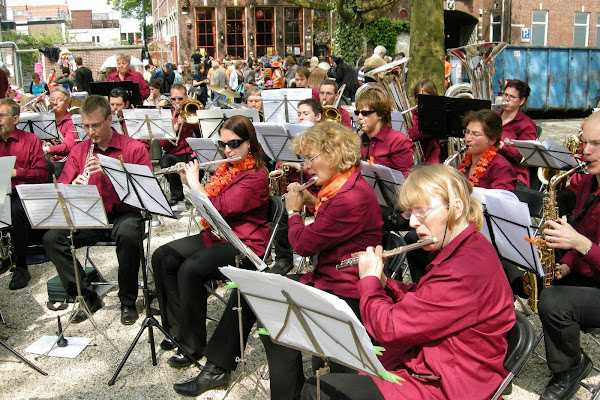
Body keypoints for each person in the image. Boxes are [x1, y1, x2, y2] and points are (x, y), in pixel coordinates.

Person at [173, 121, 383, 398]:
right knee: (249, 291)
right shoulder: (340, 185)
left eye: (310, 158)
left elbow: (303, 245)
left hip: (344, 292)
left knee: (274, 327)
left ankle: (287, 392)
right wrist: (312, 200)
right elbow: (329, 220)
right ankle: (218, 368)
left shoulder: (349, 197)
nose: (306, 166)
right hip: (326, 280)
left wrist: (294, 212)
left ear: (333, 155)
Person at [302, 164, 516, 400]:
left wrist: (370, 282)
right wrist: (385, 283)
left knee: (320, 390)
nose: (413, 222)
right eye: (410, 212)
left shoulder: (465, 268)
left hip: (448, 384)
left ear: (456, 208)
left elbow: (388, 329)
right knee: (343, 370)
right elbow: (427, 299)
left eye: (422, 211)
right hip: (434, 366)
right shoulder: (465, 248)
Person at [153, 115, 269, 370]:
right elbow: (209, 205)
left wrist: (194, 184)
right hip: (217, 235)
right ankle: (177, 330)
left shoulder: (256, 176)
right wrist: (187, 182)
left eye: (234, 143)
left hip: (244, 244)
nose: (227, 150)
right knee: (163, 256)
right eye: (223, 144)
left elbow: (218, 208)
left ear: (250, 143)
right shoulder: (226, 169)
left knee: (190, 270)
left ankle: (192, 346)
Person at [43, 95, 150, 325]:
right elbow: (62, 187)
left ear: (109, 119)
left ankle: (128, 301)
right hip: (88, 214)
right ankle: (87, 296)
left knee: (129, 234)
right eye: (86, 126)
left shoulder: (134, 148)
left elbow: (143, 194)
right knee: (52, 238)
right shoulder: (81, 151)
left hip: (123, 213)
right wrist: (73, 188)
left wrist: (112, 172)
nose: (90, 132)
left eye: (96, 125)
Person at [536, 111, 600, 400]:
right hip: (588, 271)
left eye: (597, 144)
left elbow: (584, 240)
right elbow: (585, 228)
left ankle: (570, 368)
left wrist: (579, 244)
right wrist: (565, 263)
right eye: (585, 142)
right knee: (528, 275)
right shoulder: (589, 183)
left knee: (554, 300)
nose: (585, 151)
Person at [0, 99, 48, 289]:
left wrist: (16, 172)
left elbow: (42, 173)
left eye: (2, 115)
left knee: (14, 210)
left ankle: (21, 266)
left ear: (16, 119)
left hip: (22, 193)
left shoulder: (31, 140)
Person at [356, 88, 413, 176]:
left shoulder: (398, 141)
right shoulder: (361, 139)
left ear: (380, 114)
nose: (359, 117)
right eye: (357, 112)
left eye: (365, 113)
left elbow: (404, 180)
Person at [160, 84, 200, 207]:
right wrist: (176, 126)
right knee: (165, 162)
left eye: (180, 98)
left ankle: (195, 195)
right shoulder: (165, 115)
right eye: (173, 99)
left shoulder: (191, 110)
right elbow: (163, 144)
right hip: (173, 153)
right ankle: (177, 194)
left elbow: (201, 135)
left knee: (198, 162)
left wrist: (194, 119)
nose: (176, 102)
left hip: (190, 152)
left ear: (186, 97)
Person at [458, 109, 516, 190]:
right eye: (467, 132)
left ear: (492, 139)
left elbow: (501, 200)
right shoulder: (466, 161)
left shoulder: (501, 168)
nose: (467, 139)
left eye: (475, 134)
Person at [499, 79, 537, 187]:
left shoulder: (527, 125)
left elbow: (526, 155)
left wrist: (503, 147)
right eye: (505, 95)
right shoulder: (495, 116)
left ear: (521, 101)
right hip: (490, 166)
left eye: (512, 97)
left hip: (513, 174)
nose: (507, 99)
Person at [407, 79, 441, 164]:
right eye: (419, 98)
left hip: (432, 158)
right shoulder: (413, 113)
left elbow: (415, 134)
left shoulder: (436, 115)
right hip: (413, 158)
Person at [44, 87, 77, 169]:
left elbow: (68, 147)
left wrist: (48, 149)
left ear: (67, 102)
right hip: (46, 160)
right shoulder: (45, 119)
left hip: (63, 163)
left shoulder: (71, 122)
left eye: (59, 100)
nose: (55, 103)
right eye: (52, 99)